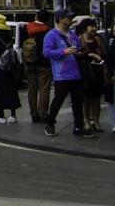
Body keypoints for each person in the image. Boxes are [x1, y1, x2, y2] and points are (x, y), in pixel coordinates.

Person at [43, 8, 92, 137]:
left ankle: (78, 127)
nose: (70, 20)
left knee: (78, 102)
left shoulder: (73, 34)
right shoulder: (52, 35)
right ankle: (50, 124)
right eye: (68, 17)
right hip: (62, 74)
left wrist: (80, 52)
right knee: (58, 100)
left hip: (76, 73)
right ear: (60, 19)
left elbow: (78, 49)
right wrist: (64, 52)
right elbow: (47, 52)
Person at [75, 17, 108, 132]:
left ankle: (96, 122)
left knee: (96, 98)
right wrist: (91, 55)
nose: (94, 29)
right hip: (85, 72)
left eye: (95, 27)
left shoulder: (98, 40)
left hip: (97, 71)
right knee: (86, 98)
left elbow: (104, 53)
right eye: (91, 27)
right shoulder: (79, 39)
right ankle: (87, 122)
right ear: (85, 28)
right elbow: (77, 55)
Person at [23, 9, 52, 123]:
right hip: (44, 63)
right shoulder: (48, 31)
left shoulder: (27, 28)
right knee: (44, 89)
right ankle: (43, 113)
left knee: (32, 89)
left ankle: (33, 113)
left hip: (30, 62)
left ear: (36, 17)